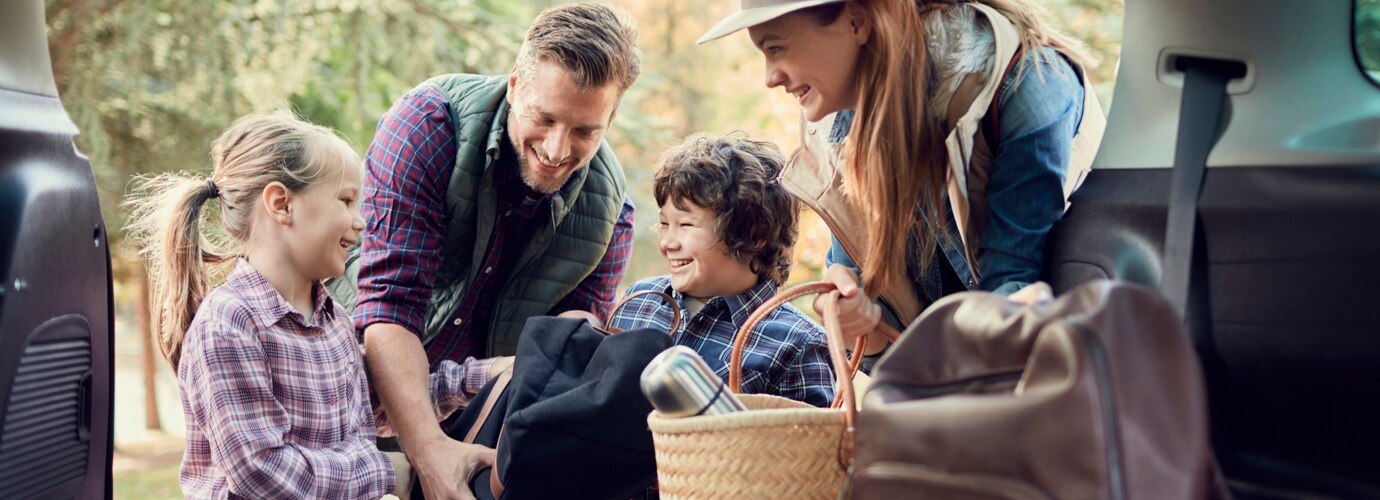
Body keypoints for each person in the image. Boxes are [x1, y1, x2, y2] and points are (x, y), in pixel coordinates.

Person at [324, 3, 642, 498]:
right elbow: (388, 308)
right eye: (545, 118)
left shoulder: (611, 213)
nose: (558, 150)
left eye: (585, 131)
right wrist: (429, 454)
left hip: (482, 426)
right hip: (350, 403)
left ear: (611, 116)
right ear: (515, 85)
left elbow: (560, 368)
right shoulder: (427, 128)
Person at [698, 0, 1105, 363]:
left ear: (856, 21)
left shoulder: (1026, 85)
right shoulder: (844, 132)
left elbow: (1010, 289)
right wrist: (855, 316)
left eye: (776, 48)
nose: (769, 78)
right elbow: (876, 330)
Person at [125, 111, 398, 498]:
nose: (361, 222)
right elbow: (261, 471)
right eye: (346, 200)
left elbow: (381, 400)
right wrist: (385, 471)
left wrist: (491, 374)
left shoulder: (332, 320)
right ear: (281, 204)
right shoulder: (228, 326)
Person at [609, 133, 836, 408]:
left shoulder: (798, 345)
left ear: (753, 235)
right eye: (664, 224)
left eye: (686, 225)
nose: (667, 242)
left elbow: (810, 444)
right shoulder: (641, 300)